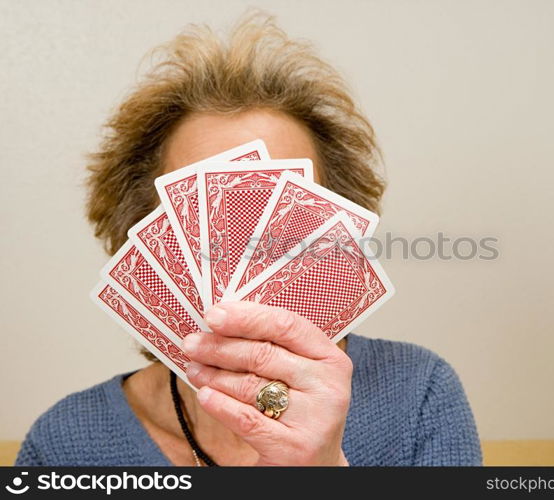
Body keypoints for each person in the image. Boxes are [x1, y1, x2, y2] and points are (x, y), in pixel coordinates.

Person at [15, 13, 481, 466]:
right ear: (148, 245)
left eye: (281, 206)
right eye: (207, 216)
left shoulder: (419, 392)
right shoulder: (65, 442)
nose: (249, 248)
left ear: (339, 233)